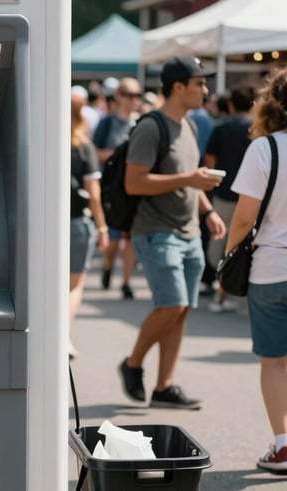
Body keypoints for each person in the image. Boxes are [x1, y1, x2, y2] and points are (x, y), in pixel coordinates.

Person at [118, 57, 226, 410]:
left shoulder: (191, 126)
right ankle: (133, 363)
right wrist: (189, 180)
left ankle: (164, 387)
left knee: (181, 311)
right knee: (172, 304)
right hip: (156, 232)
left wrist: (208, 212)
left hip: (190, 232)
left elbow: (191, 181)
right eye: (199, 83)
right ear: (179, 87)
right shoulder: (152, 127)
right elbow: (134, 183)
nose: (206, 90)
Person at [225, 67, 287, 472]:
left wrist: (229, 255)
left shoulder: (265, 149)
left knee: (274, 361)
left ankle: (284, 445)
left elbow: (245, 217)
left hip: (271, 266)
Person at [204, 83, 256, 313]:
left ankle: (223, 290)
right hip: (252, 197)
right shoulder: (258, 131)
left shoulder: (221, 128)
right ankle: (231, 292)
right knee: (244, 245)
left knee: (220, 245)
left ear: (232, 104)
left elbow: (209, 161)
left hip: (224, 194)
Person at [93, 77, 142, 300]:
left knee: (130, 237)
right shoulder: (107, 123)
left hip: (132, 187)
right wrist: (119, 156)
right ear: (119, 96)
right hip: (111, 186)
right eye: (130, 95)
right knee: (113, 239)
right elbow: (95, 153)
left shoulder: (140, 123)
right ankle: (107, 266)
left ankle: (126, 281)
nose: (134, 100)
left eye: (137, 95)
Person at [69, 92, 109, 359]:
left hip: (48, 224)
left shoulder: (45, 142)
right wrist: (103, 227)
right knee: (74, 286)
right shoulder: (83, 147)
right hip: (77, 221)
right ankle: (63, 336)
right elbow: (94, 194)